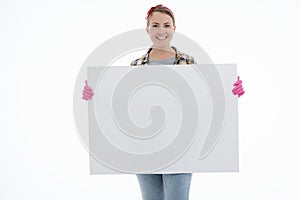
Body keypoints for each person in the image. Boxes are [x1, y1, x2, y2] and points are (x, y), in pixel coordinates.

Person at [82, 4, 245, 200]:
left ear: (174, 29)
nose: (161, 30)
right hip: (145, 148)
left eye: (167, 25)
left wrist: (231, 90)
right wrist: (94, 95)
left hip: (181, 148)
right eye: (155, 25)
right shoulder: (136, 66)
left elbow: (206, 99)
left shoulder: (188, 62)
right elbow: (124, 105)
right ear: (147, 29)